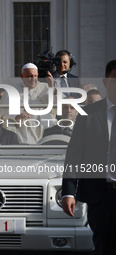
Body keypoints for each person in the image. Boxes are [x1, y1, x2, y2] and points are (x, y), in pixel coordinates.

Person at [62, 59, 116, 254]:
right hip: (100, 195)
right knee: (101, 246)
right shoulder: (88, 113)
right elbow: (74, 154)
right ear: (105, 82)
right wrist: (68, 191)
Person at [0, 63, 55, 144]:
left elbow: (57, 108)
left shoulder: (46, 87)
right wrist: (17, 116)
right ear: (22, 76)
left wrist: (52, 87)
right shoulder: (13, 90)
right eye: (29, 76)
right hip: (22, 130)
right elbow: (3, 113)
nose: (33, 79)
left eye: (35, 76)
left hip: (43, 128)